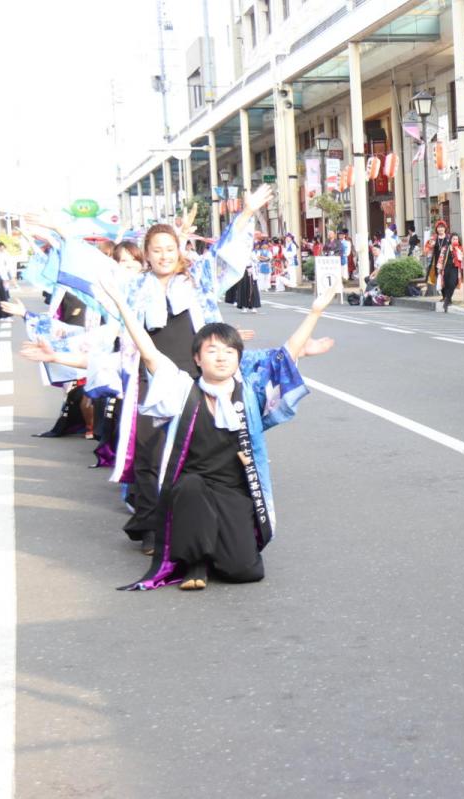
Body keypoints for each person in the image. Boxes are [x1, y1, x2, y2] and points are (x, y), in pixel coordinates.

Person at [98, 269, 337, 590]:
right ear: (196, 358)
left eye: (229, 351)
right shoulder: (183, 389)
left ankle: (217, 551)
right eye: (212, 351)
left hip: (234, 489)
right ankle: (194, 561)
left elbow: (286, 355)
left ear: (239, 357)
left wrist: (316, 311)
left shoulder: (248, 391)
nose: (221, 357)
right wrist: (121, 304)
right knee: (191, 488)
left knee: (245, 571)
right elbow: (150, 353)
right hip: (191, 486)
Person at [116, 187, 270, 552]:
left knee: (198, 451)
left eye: (170, 249)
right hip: (150, 374)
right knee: (149, 451)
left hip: (196, 375)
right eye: (157, 250)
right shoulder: (134, 285)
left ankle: (201, 521)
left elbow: (225, 256)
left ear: (179, 250)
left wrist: (246, 214)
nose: (165, 256)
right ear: (147, 255)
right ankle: (153, 526)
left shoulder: (198, 277)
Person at [436, 232, 464, 312]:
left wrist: (457, 249)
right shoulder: (445, 248)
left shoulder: (459, 248)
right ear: (450, 240)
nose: (455, 240)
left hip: (455, 268)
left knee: (452, 283)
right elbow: (441, 258)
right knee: (447, 284)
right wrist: (439, 268)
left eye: (456, 239)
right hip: (446, 268)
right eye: (453, 239)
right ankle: (449, 299)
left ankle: (446, 301)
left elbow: (461, 258)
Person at [423, 220, 449, 291]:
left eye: (442, 227)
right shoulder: (434, 238)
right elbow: (426, 249)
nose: (440, 229)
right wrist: (429, 246)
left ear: (445, 228)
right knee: (439, 279)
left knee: (446, 278)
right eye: (439, 227)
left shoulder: (448, 238)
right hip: (437, 262)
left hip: (446, 261)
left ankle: (447, 296)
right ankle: (444, 296)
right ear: (436, 229)